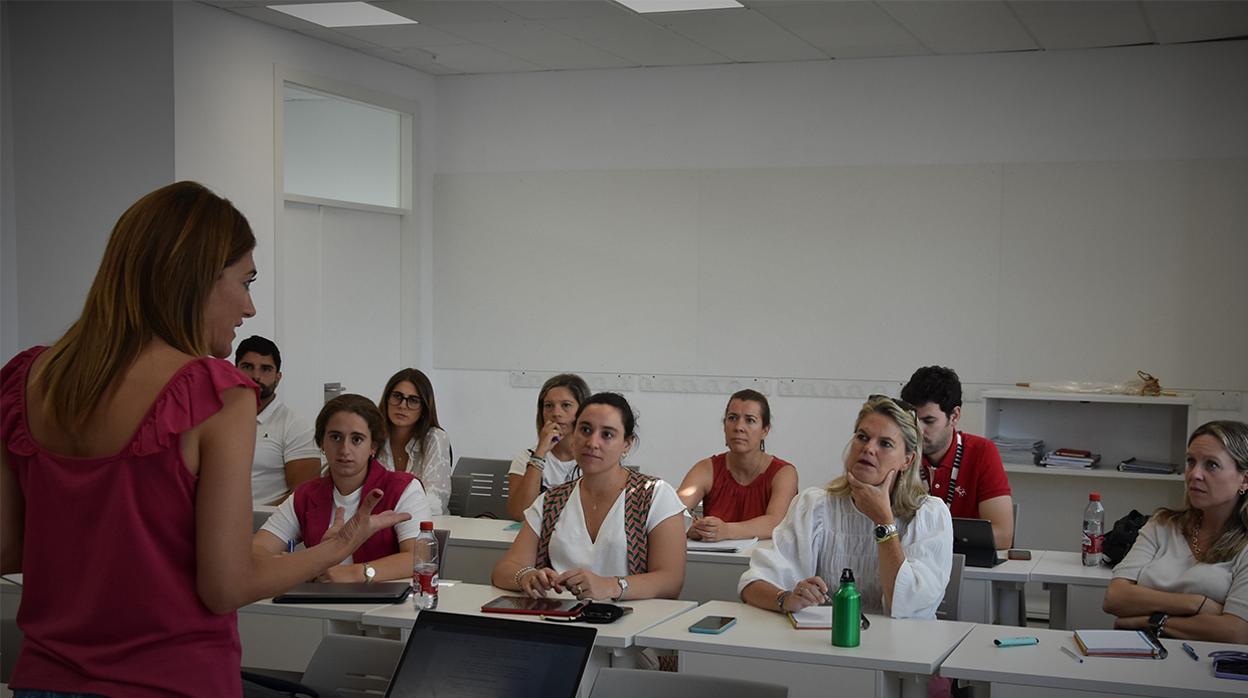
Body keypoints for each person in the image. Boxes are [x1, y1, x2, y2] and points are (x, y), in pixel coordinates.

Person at [0, 181, 408, 698]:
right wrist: (339, 546)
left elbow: (9, 549)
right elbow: (225, 587)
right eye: (246, 281)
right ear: (196, 279)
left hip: (46, 679)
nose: (250, 308)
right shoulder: (214, 391)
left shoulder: (27, 378)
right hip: (172, 681)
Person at [739, 395, 952, 619]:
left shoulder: (929, 514)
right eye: (862, 437)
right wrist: (786, 598)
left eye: (885, 444)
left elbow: (908, 606)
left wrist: (884, 522)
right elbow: (752, 583)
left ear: (907, 461)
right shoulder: (815, 505)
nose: (868, 448)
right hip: (826, 643)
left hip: (900, 646)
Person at [491, 393, 687, 601]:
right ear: (573, 436)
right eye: (585, 430)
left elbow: (671, 580)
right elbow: (504, 570)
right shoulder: (551, 501)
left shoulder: (655, 495)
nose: (593, 442)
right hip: (560, 620)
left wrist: (611, 586)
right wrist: (527, 576)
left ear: (627, 444)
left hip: (633, 621)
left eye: (607, 435)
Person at [255, 394, 431, 582]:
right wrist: (300, 563)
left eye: (357, 439)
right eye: (336, 437)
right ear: (321, 443)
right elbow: (257, 550)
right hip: (319, 606)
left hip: (384, 605)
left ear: (373, 446)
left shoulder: (403, 488)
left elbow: (419, 558)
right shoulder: (306, 494)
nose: (344, 449)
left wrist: (354, 573)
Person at [1103, 420, 1248, 643]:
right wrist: (1197, 603)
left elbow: (1235, 632)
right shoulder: (1163, 523)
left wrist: (1146, 622)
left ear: (1244, 479)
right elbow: (1115, 598)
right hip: (1136, 656)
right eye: (1191, 462)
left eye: (1211, 465)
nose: (1194, 474)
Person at [901, 366, 1014, 549]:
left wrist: (930, 537)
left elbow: (1003, 536)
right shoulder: (900, 451)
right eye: (912, 420)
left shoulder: (982, 452)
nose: (918, 431)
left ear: (954, 416)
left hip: (969, 571)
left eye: (928, 421)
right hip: (912, 565)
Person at [677, 389, 798, 541]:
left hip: (765, 562)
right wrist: (690, 528)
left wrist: (726, 531)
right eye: (732, 418)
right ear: (724, 426)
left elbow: (775, 522)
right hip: (712, 562)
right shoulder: (706, 468)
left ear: (765, 431)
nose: (738, 427)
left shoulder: (784, 473)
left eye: (750, 420)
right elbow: (672, 514)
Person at [235, 335, 321, 506]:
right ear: (234, 370)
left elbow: (303, 493)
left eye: (265, 369)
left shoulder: (294, 425)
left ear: (278, 377)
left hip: (267, 524)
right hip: (214, 519)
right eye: (247, 367)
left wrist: (250, 518)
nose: (255, 376)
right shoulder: (215, 418)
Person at [505, 373, 592, 521]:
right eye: (549, 406)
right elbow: (519, 513)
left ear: (583, 410)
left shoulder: (595, 457)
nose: (556, 413)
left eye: (566, 405)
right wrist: (540, 453)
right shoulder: (526, 457)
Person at [376, 368, 452, 516]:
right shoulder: (373, 436)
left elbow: (435, 502)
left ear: (424, 408)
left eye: (413, 400)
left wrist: (390, 513)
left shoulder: (435, 438)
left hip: (423, 524)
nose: (403, 405)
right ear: (386, 399)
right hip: (377, 526)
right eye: (397, 396)